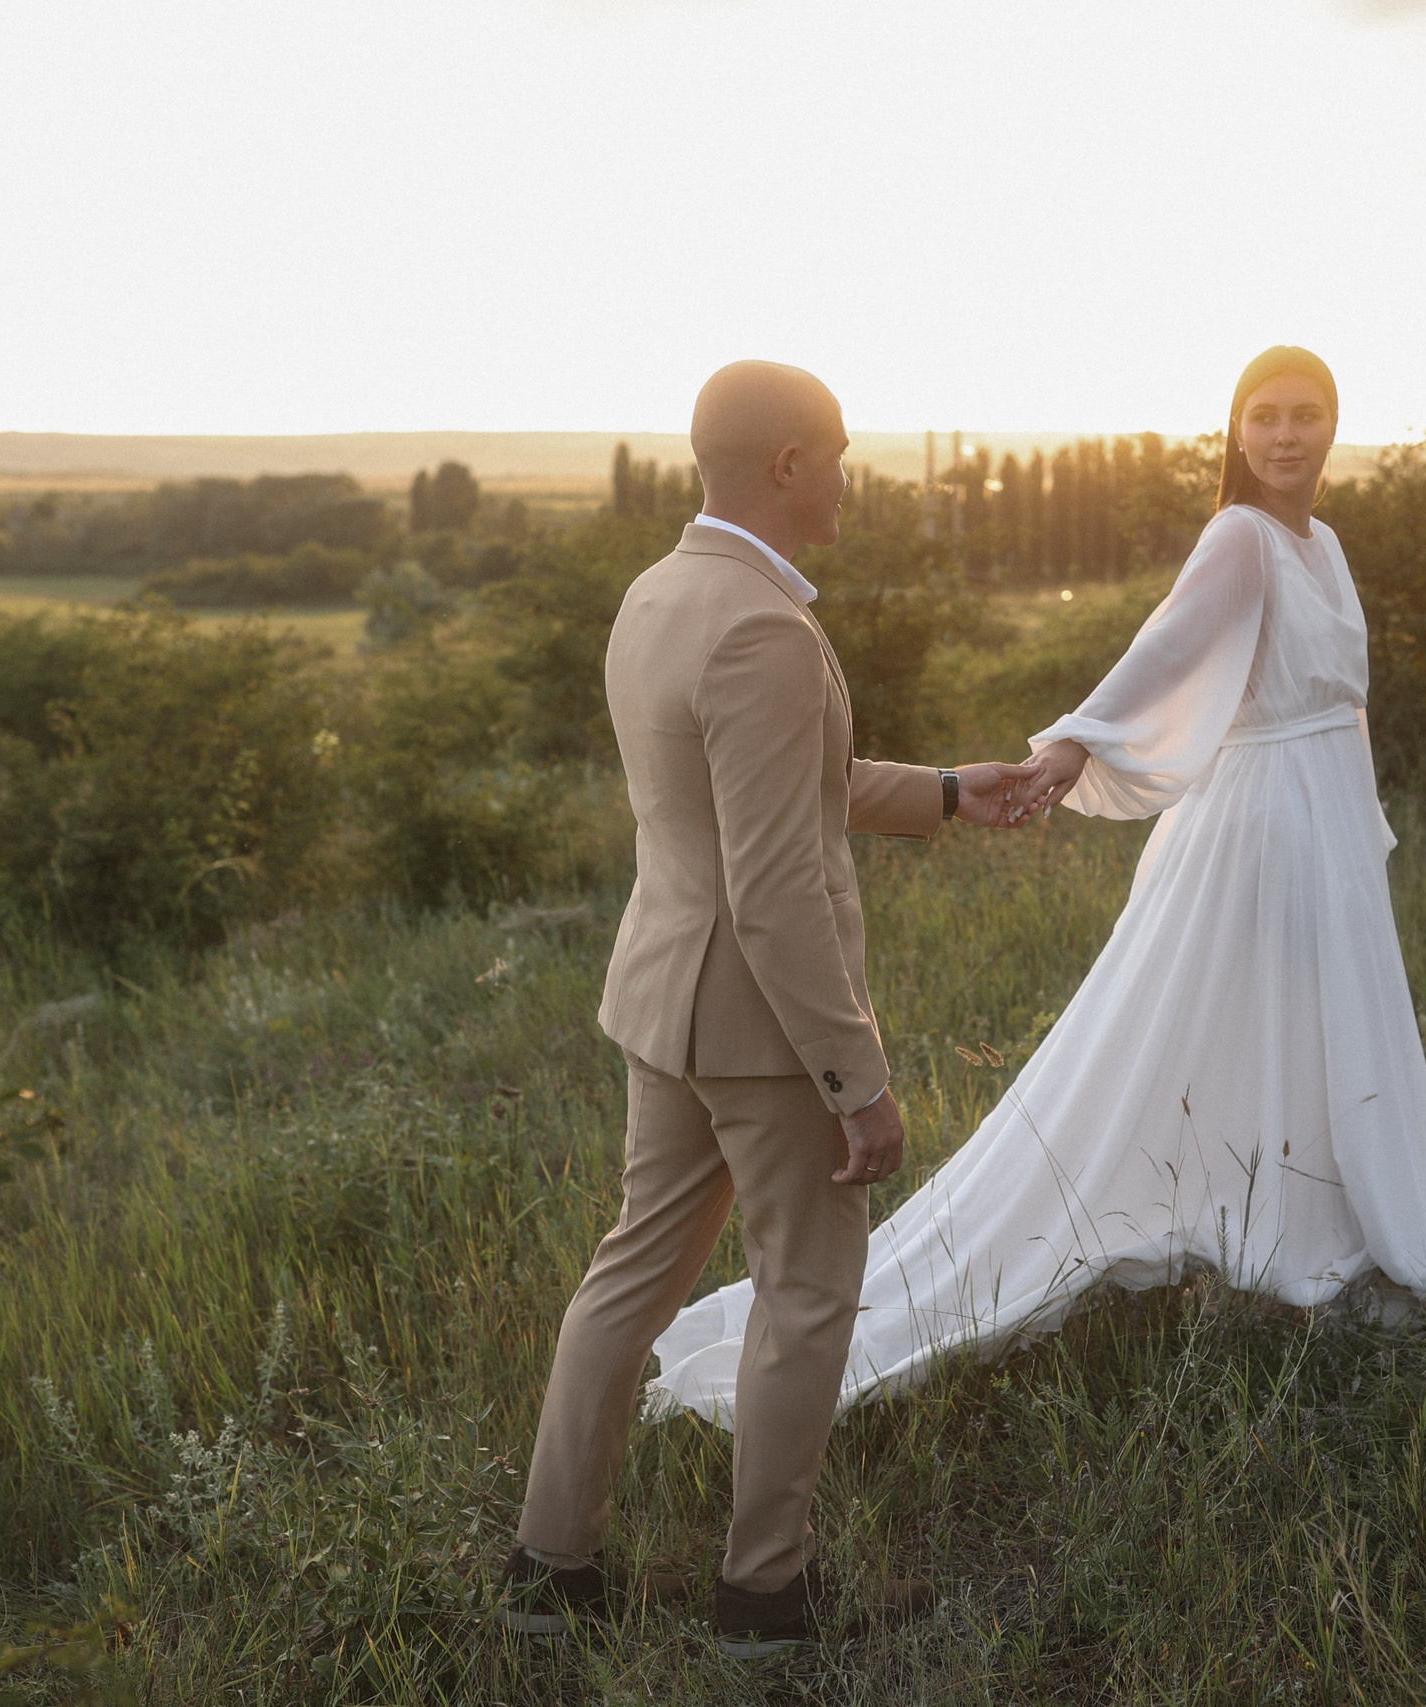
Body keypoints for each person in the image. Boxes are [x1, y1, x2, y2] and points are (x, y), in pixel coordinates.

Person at [647, 345, 1426, 1433]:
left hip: (1325, 817)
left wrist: (1361, 821)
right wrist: (1068, 749)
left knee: (1315, 1025)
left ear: (1333, 428)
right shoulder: (1239, 536)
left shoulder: (1322, 543)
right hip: (1263, 824)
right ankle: (1264, 1229)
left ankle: (1313, 1215)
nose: (1287, 436)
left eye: (1307, 416)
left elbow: (1345, 703)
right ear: (1237, 434)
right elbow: (1166, 651)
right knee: (1216, 1027)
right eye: (1266, 417)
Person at [501, 360, 1038, 1657]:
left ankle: (548, 1562)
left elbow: (799, 783)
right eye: (841, 451)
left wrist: (958, 791)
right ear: (790, 463)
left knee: (626, 1278)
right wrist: (857, 1076)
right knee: (806, 1292)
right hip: (764, 1032)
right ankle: (764, 1598)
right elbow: (777, 882)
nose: (853, 474)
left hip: (663, 1005)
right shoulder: (764, 626)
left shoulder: (662, 592)